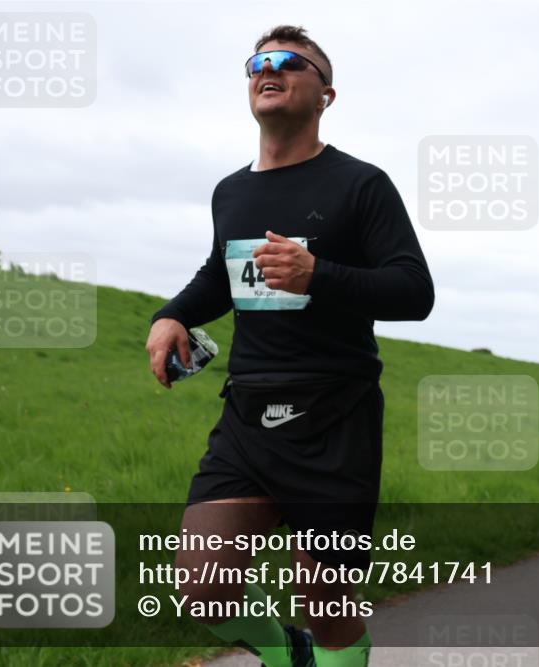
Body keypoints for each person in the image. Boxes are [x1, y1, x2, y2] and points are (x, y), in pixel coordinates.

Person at [145, 25, 434, 667]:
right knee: (201, 586)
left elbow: (414, 291)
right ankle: (289, 656)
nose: (267, 69)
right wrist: (172, 316)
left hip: (336, 414)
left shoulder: (362, 184)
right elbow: (222, 273)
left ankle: (323, 652)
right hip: (248, 411)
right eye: (257, 62)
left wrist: (317, 274)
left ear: (326, 94)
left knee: (325, 603)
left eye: (288, 62)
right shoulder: (232, 190)